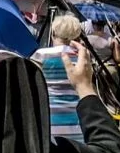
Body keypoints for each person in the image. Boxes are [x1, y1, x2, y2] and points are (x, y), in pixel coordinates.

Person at [37, 13, 88, 142]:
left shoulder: (41, 55)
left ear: (53, 32)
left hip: (49, 113)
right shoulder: (82, 56)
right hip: (77, 115)